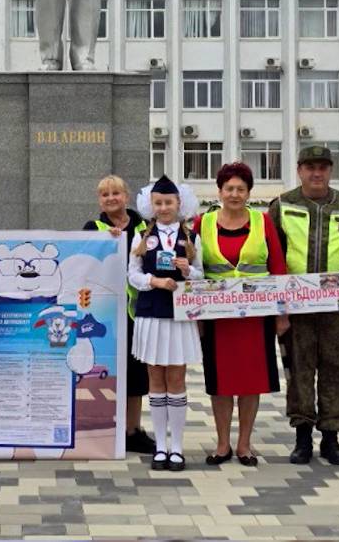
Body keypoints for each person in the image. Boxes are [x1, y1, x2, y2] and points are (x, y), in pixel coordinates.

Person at [267, 145, 339, 466]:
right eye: (310, 167)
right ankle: (302, 438)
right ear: (299, 169)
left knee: (338, 369)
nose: (317, 173)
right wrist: (278, 306)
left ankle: (331, 437)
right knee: (299, 371)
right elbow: (270, 255)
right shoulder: (283, 205)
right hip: (296, 309)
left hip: (338, 309)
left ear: (330, 170)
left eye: (323, 168)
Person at [191, 162, 288, 467]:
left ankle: (245, 443)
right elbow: (189, 266)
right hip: (217, 319)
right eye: (229, 188)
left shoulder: (263, 222)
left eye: (240, 189)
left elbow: (279, 268)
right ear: (219, 191)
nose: (234, 194)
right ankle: (222, 444)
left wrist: (281, 314)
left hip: (255, 318)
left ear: (249, 193)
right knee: (220, 382)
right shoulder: (201, 224)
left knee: (250, 380)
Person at [127, 175, 203, 471]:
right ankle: (160, 446)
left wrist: (188, 272)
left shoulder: (192, 237)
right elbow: (131, 273)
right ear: (151, 204)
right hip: (150, 313)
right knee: (155, 380)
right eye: (157, 202)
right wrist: (154, 280)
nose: (163, 207)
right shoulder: (142, 235)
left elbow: (202, 275)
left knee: (176, 380)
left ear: (178, 203)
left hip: (180, 316)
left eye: (168, 202)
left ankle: (178, 447)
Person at [81, 174, 154, 454]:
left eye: (116, 193)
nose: (111, 198)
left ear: (126, 196)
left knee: (136, 374)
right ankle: (106, 428)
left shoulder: (146, 228)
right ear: (99, 200)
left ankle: (132, 430)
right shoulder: (93, 228)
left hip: (138, 312)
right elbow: (84, 264)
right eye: (105, 194)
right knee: (105, 372)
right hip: (105, 316)